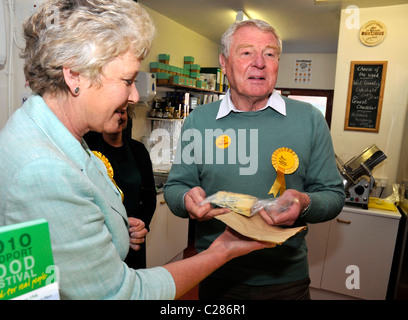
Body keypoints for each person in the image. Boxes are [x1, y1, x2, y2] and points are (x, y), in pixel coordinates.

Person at [0, 0, 271, 300]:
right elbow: (122, 294)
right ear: (74, 75)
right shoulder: (45, 171)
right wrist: (222, 251)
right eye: (127, 81)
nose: (134, 95)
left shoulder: (45, 130)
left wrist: (111, 225)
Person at [164, 19, 346, 300]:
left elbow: (333, 196)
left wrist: (303, 203)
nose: (259, 63)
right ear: (224, 63)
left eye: (270, 54)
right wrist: (186, 198)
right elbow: (176, 188)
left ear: (277, 63)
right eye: (246, 52)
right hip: (215, 273)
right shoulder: (198, 121)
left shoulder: (310, 119)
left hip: (285, 280)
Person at [85, 106, 156, 269]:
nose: (118, 116)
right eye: (113, 111)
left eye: (122, 112)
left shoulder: (139, 151)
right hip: (102, 235)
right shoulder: (88, 148)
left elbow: (149, 195)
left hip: (133, 236)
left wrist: (140, 225)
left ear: (127, 117)